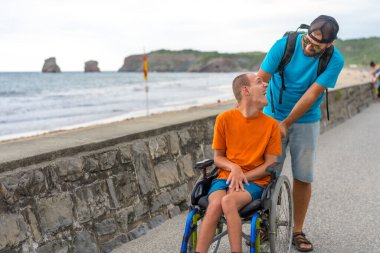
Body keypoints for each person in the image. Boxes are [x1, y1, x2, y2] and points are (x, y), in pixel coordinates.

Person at [257, 15, 344, 252]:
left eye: (316, 46)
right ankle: (265, 224)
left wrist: (285, 123)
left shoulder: (334, 60)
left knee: (304, 175)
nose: (308, 47)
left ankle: (297, 231)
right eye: (307, 40)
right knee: (266, 172)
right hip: (271, 115)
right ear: (306, 32)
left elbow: (311, 95)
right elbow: (260, 81)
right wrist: (249, 118)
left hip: (305, 120)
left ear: (328, 45)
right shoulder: (284, 45)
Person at [195, 73, 282, 253]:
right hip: (225, 177)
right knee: (214, 205)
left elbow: (270, 164)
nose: (266, 85)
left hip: (255, 182)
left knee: (228, 202)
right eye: (259, 82)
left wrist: (242, 176)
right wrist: (233, 167)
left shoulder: (271, 125)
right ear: (245, 90)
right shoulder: (224, 119)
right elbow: (218, 157)